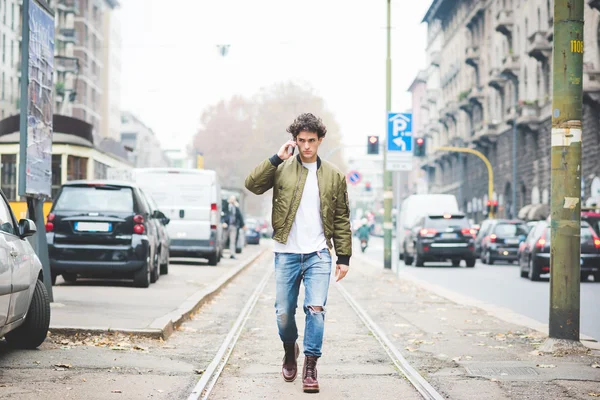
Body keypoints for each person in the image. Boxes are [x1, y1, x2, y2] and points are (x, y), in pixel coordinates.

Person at [245, 113, 352, 393]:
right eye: (301, 140)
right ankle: (289, 350)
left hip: (318, 254)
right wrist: (275, 159)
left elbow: (341, 217)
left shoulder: (333, 175)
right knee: (283, 314)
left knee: (315, 310)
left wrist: (344, 257)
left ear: (320, 141)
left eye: (311, 141)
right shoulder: (281, 168)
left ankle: (310, 365)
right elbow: (252, 185)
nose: (306, 146)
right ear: (295, 140)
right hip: (287, 252)